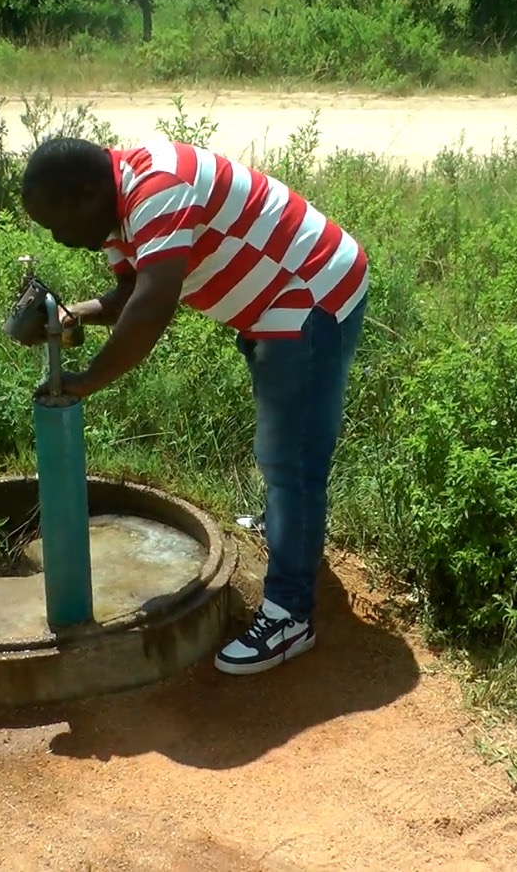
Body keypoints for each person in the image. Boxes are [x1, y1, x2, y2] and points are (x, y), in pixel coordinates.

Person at [19, 136, 368, 676]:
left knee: (291, 459)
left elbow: (154, 306)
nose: (60, 239)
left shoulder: (158, 189)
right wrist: (74, 314)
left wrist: (86, 381)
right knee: (283, 445)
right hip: (270, 304)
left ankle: (290, 617)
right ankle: (287, 529)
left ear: (87, 192)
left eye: (58, 222)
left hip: (310, 294)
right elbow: (129, 293)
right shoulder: (118, 211)